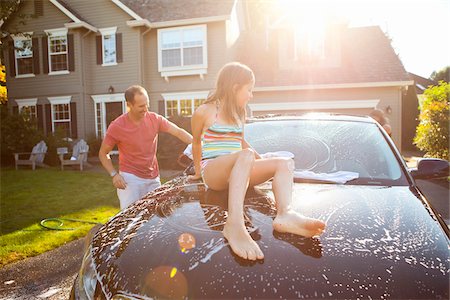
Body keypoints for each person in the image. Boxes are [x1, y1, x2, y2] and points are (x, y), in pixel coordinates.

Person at [189, 62, 326, 261]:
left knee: (284, 162)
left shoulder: (239, 113)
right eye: (249, 90)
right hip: (214, 171)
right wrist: (196, 171)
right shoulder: (205, 111)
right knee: (245, 155)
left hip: (239, 170)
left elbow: (240, 142)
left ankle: (284, 215)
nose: (251, 95)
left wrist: (263, 162)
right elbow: (195, 143)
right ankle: (234, 224)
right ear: (235, 88)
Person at [99, 85, 192, 209]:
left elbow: (178, 131)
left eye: (147, 104)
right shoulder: (117, 126)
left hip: (153, 178)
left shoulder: (154, 119)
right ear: (129, 105)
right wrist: (114, 174)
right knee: (130, 219)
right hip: (130, 180)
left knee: (156, 217)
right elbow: (103, 153)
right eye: (141, 106)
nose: (145, 109)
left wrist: (198, 144)